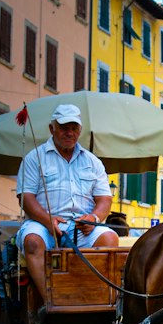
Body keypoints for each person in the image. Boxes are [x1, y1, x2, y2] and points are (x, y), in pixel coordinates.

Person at [15, 104, 118, 301]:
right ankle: (51, 301)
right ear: (51, 129)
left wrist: (94, 218)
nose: (69, 133)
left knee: (110, 239)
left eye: (74, 128)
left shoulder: (93, 161)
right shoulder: (34, 158)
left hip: (81, 226)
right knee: (33, 242)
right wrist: (47, 220)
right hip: (42, 223)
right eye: (63, 128)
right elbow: (25, 198)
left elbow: (105, 198)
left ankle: (91, 297)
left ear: (80, 130)